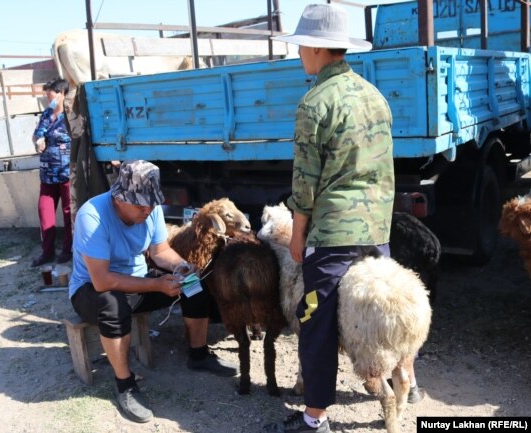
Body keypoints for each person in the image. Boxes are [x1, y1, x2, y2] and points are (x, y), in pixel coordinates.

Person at [263, 4, 395, 433]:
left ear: (318, 47)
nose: (299, 52)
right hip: (376, 229)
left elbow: (304, 185)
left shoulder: (314, 103)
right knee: (377, 313)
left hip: (334, 233)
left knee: (314, 317)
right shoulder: (374, 95)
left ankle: (314, 416)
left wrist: (297, 237)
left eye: (302, 44)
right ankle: (400, 383)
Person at [69, 160, 238, 424]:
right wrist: (157, 285)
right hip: (90, 289)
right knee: (112, 305)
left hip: (137, 280)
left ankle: (199, 354)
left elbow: (160, 252)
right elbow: (102, 280)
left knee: (195, 284)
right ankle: (124, 384)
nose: (147, 210)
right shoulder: (92, 216)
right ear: (119, 197)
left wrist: (181, 266)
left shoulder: (151, 209)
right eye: (140, 205)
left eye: (151, 203)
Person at [31, 78, 73, 267]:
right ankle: (46, 252)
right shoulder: (47, 114)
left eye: (51, 96)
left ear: (61, 94)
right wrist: (38, 140)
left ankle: (67, 250)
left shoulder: (71, 115)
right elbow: (37, 133)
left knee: (67, 212)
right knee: (44, 211)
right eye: (47, 96)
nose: (49, 101)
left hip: (65, 171)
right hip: (47, 173)